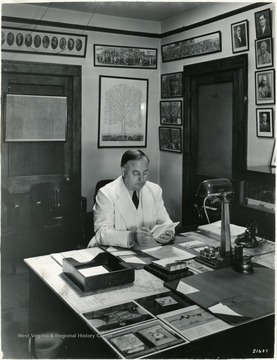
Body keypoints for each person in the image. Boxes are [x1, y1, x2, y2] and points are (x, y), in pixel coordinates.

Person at [88, 149, 174, 248]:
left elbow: (166, 222)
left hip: (145, 250)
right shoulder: (106, 193)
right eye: (136, 173)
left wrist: (168, 233)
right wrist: (132, 236)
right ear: (124, 171)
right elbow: (102, 233)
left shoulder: (155, 190)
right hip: (112, 250)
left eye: (145, 173)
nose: (141, 179)